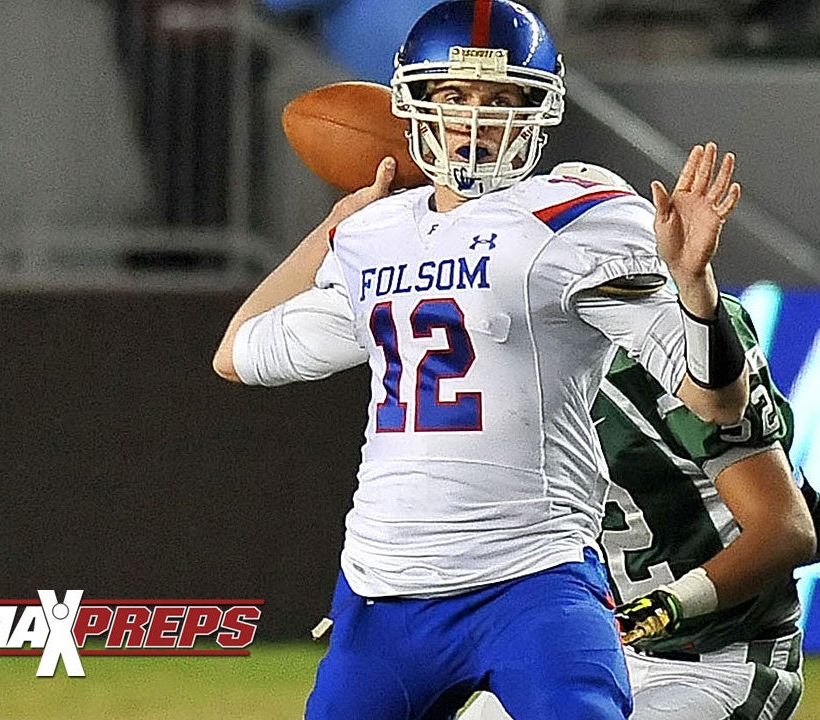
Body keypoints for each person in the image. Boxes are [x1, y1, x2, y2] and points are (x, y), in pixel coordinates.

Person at [212, 1, 750, 717]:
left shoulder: (573, 214)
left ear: (537, 109)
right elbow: (238, 351)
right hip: (384, 594)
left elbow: (718, 401)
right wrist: (332, 229)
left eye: (501, 99)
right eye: (455, 96)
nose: (475, 118)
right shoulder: (376, 237)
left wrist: (695, 287)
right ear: (415, 103)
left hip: (532, 584)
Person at [459, 198, 820, 718]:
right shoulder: (494, 351)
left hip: (720, 659)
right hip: (595, 647)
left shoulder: (674, 345)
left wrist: (666, 607)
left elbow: (786, 530)